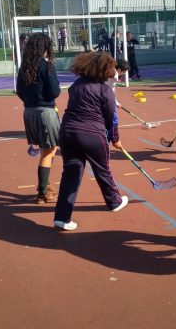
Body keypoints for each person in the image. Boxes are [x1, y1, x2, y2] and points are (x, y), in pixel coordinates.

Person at [53, 52, 128, 231]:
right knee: (103, 169)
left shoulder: (76, 85)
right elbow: (111, 119)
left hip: (67, 133)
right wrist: (114, 137)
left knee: (70, 173)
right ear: (104, 69)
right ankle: (114, 201)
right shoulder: (105, 90)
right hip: (91, 135)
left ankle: (62, 218)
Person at [16, 33, 61, 204]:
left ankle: (45, 184)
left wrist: (31, 100)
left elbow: (20, 91)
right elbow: (55, 91)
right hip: (45, 112)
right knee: (48, 152)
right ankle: (42, 192)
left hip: (29, 111)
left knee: (46, 151)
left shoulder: (25, 67)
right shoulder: (46, 65)